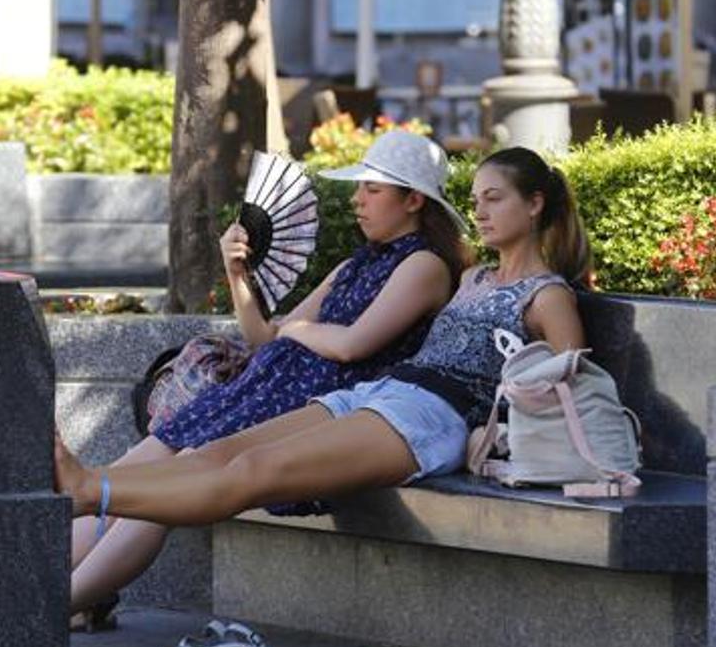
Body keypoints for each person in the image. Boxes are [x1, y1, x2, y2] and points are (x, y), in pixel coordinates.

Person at [54, 145, 591, 535]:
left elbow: (570, 395)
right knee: (221, 450)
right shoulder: (472, 279)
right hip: (381, 395)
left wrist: (491, 436)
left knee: (255, 471)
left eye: (494, 199)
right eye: (476, 199)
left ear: (535, 204)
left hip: (434, 418)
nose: (480, 212)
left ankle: (91, 492)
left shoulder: (547, 295)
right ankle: (91, 490)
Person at [65, 130, 471, 622]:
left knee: (168, 482)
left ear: (413, 200)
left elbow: (352, 345)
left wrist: (298, 330)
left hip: (314, 404)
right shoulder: (353, 264)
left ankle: (59, 605)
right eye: (360, 187)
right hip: (260, 387)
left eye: (373, 189)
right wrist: (236, 274)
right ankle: (38, 588)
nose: (358, 199)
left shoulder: (424, 265)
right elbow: (264, 337)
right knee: (134, 466)